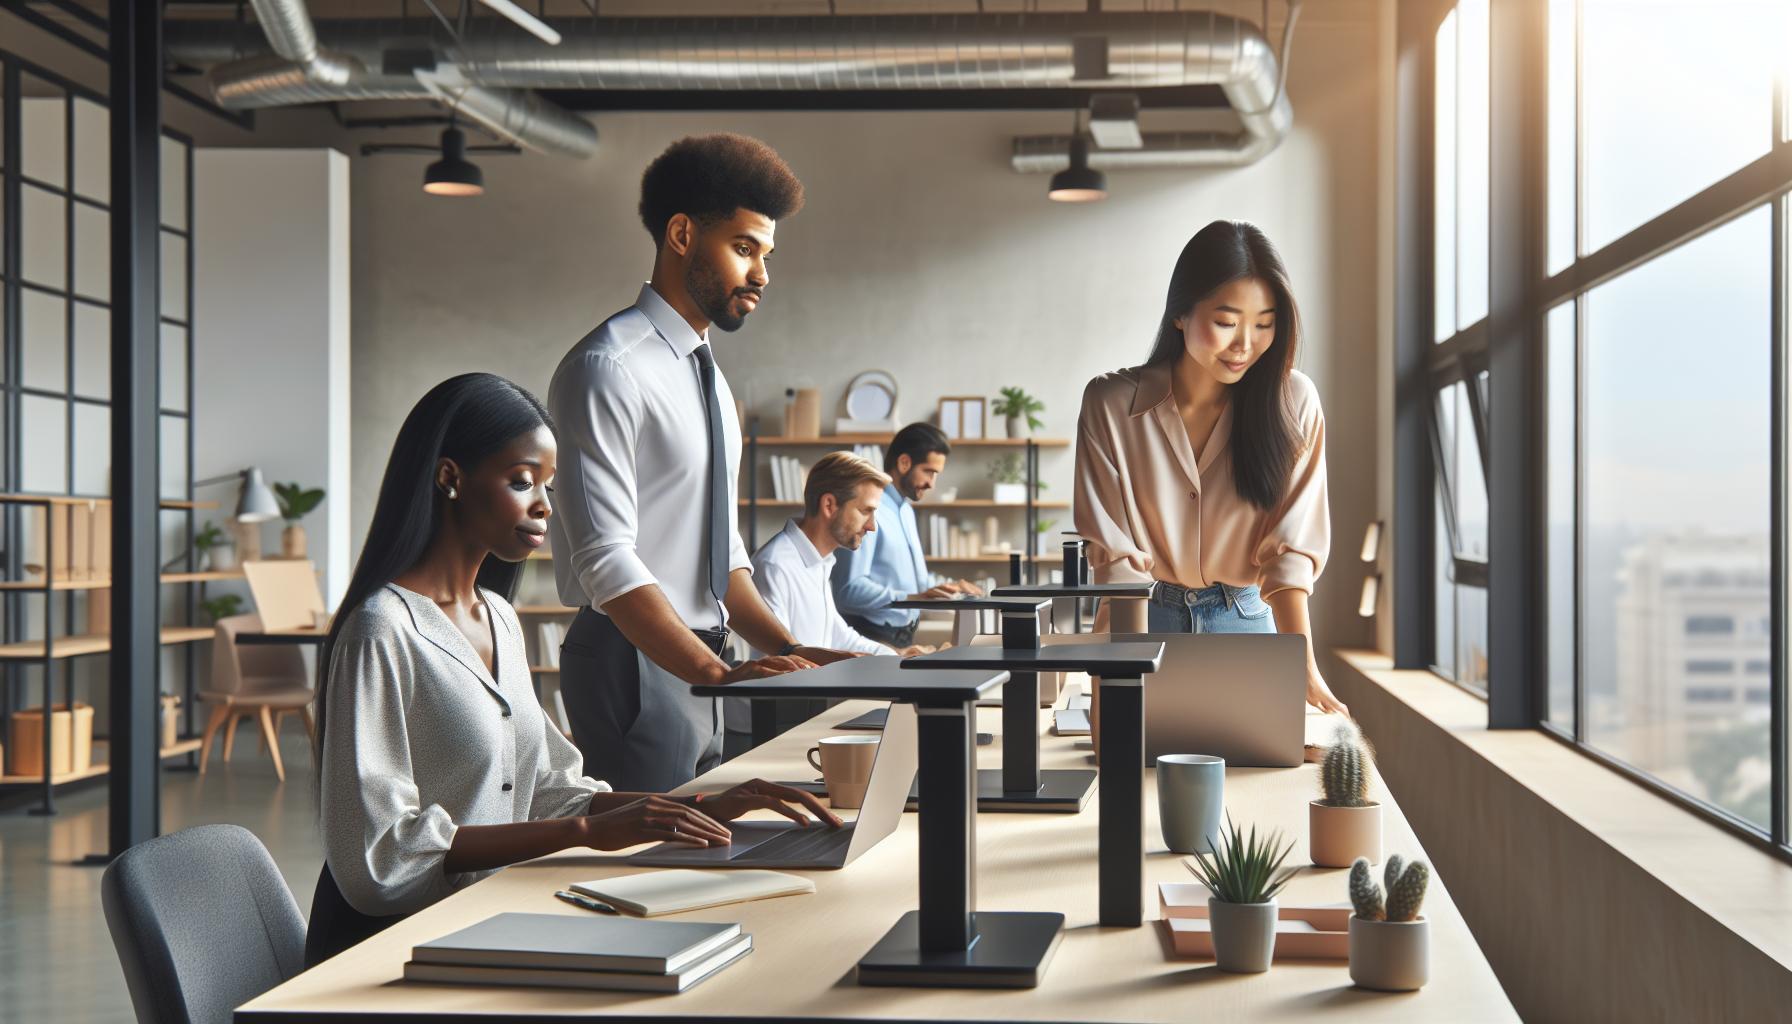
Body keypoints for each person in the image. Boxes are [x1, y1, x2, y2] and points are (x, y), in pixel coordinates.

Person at [307, 373, 839, 967]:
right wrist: (585, 836)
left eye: (549, 486)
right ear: (449, 477)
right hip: (387, 954)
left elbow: (552, 793)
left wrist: (698, 806)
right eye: (521, 481)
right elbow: (377, 859)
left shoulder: (501, 619)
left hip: (484, 922)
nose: (543, 506)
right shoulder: (381, 630)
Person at [548, 134, 857, 794]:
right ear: (682, 234)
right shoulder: (607, 368)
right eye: (745, 248)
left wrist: (787, 650)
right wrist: (713, 673)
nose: (763, 274)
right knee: (650, 867)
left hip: (708, 654)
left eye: (766, 254)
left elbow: (723, 555)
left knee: (709, 857)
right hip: (633, 660)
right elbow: (604, 559)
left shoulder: (709, 380)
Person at [1074, 220, 1348, 715]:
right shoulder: (1110, 404)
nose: (1246, 343)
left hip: (1247, 621)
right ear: (1180, 314)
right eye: (1226, 321)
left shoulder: (1294, 401)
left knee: (1263, 781)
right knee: (1131, 777)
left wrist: (1304, 668)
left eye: (1265, 323)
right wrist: (1114, 684)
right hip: (1145, 622)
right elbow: (1114, 564)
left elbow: (1288, 556)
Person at [832, 423, 984, 648]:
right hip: (871, 635)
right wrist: (911, 598)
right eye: (929, 471)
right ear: (904, 463)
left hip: (904, 635)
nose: (932, 483)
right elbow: (848, 591)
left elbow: (914, 581)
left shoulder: (906, 511)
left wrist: (948, 587)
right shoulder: (869, 511)